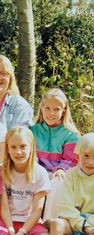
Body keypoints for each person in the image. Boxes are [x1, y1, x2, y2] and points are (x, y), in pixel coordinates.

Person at [0, 126, 50, 235]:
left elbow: (37, 211)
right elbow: (4, 208)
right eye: (13, 147)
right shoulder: (2, 171)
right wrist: (11, 231)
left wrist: (21, 233)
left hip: (30, 222)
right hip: (7, 221)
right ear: (7, 149)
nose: (18, 152)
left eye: (23, 146)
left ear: (31, 147)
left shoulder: (40, 173)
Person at [30, 88, 80, 220]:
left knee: (57, 182)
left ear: (64, 111)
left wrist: (61, 169)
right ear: (41, 108)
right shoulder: (33, 130)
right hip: (37, 169)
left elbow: (70, 160)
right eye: (47, 108)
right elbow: (30, 154)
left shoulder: (70, 134)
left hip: (57, 173)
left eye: (57, 109)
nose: (51, 113)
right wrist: (34, 167)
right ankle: (26, 220)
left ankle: (49, 221)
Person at [48, 133, 94, 235]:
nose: (91, 162)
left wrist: (90, 224)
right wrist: (84, 225)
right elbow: (64, 206)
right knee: (57, 223)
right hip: (75, 222)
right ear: (77, 155)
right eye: (86, 156)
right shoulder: (71, 175)